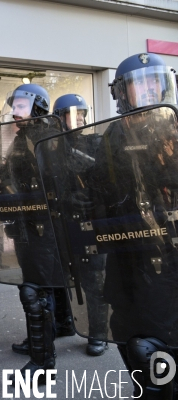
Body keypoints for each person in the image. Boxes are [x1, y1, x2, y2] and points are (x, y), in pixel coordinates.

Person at [93, 52, 178, 398]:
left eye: (153, 82)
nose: (147, 91)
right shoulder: (112, 137)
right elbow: (97, 189)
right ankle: (148, 388)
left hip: (166, 256)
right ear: (122, 93)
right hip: (124, 253)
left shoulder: (173, 130)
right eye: (138, 85)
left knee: (159, 337)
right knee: (125, 331)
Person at [0, 84, 63, 384]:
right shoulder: (24, 138)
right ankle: (37, 342)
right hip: (24, 223)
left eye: (21, 105)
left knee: (36, 292)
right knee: (33, 288)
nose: (15, 111)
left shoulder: (45, 137)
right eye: (15, 106)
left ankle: (44, 361)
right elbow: (15, 177)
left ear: (38, 107)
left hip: (40, 225)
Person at [51, 93, 108, 357]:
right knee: (60, 275)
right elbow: (46, 184)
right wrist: (64, 197)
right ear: (59, 119)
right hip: (62, 221)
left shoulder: (96, 143)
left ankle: (98, 333)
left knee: (94, 280)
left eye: (83, 114)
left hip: (90, 221)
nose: (80, 119)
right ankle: (63, 323)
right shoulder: (50, 148)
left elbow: (109, 179)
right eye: (73, 115)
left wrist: (93, 198)